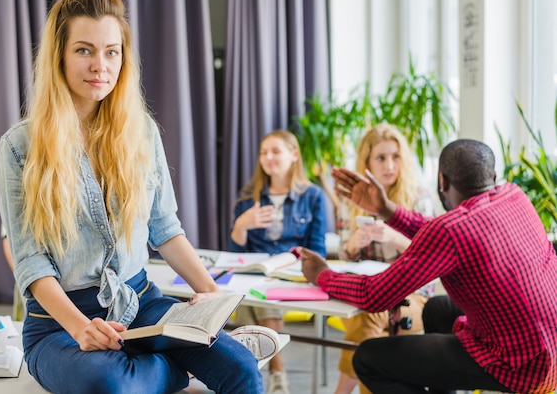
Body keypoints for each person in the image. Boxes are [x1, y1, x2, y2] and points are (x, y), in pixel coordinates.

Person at [0, 0, 275, 394]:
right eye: (84, 50)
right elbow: (31, 264)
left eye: (111, 51)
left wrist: (212, 298)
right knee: (110, 384)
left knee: (244, 370)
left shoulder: (141, 132)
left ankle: (161, 357)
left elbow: (166, 230)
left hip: (141, 302)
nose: (100, 65)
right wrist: (80, 328)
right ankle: (176, 365)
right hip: (59, 323)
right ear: (59, 55)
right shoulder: (18, 147)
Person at [298, 139, 557, 394]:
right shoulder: (514, 196)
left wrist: (323, 274)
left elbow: (374, 296)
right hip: (550, 344)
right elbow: (451, 234)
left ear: (442, 181)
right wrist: (387, 210)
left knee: (368, 359)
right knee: (436, 310)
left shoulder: (451, 230)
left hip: (526, 368)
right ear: (493, 175)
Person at [333, 124, 434, 394]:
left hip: (414, 296)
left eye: (395, 157)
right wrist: (353, 244)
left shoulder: (417, 197)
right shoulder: (350, 201)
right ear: (366, 162)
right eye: (380, 158)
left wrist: (394, 237)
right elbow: (344, 257)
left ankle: (341, 391)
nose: (389, 165)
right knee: (370, 314)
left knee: (370, 317)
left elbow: (434, 258)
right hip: (366, 289)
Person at [229, 129, 327, 394]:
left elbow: (318, 250)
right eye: (263, 153)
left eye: (275, 151)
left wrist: (290, 264)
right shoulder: (249, 199)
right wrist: (241, 225)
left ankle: (259, 375)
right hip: (256, 276)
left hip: (294, 276)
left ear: (294, 155)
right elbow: (234, 253)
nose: (268, 158)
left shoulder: (313, 197)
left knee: (255, 300)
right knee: (254, 294)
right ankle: (276, 378)